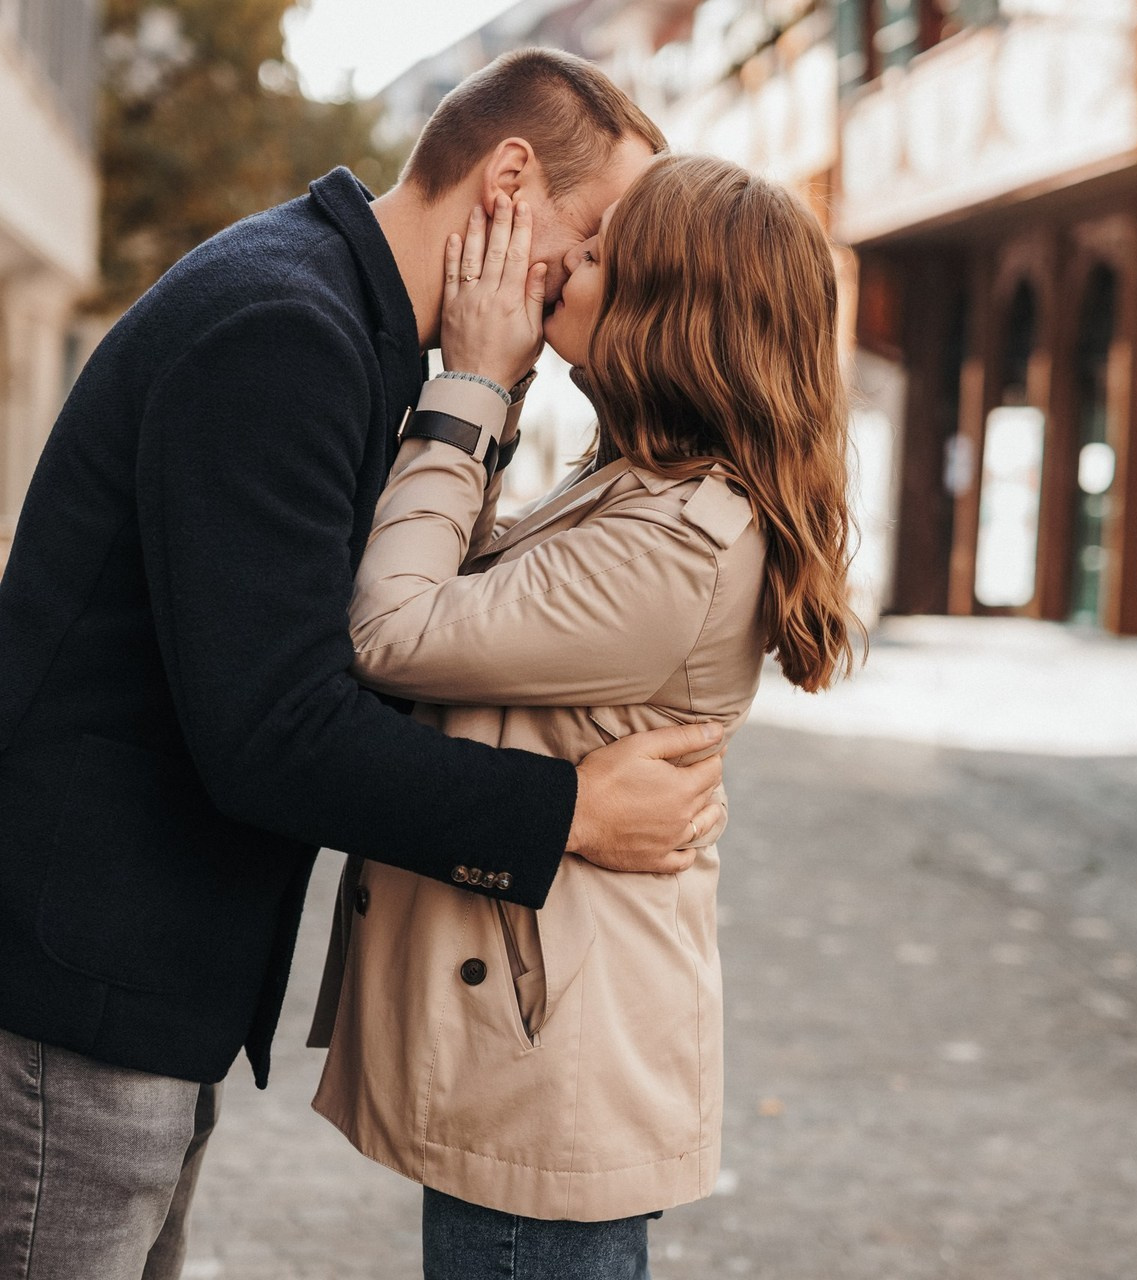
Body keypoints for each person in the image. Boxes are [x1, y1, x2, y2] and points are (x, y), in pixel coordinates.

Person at [0, 51, 728, 1280]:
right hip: (83, 983)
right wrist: (568, 812)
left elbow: (387, 626)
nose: (585, 280)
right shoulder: (286, 328)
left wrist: (476, 395)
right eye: (594, 234)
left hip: (131, 972)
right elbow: (275, 728)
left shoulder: (330, 310)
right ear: (508, 182)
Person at [311, 153, 860, 1280]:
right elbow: (455, 608)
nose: (566, 263)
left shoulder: (675, 545)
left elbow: (392, 631)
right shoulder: (637, 486)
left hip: (550, 1064)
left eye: (604, 253)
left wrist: (469, 380)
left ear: (668, 312)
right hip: (540, 1040)